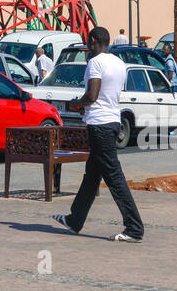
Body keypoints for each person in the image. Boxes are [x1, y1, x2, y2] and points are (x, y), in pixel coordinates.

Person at [52, 26, 145, 242]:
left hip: (99, 125)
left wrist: (77, 103)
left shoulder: (95, 62)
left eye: (87, 42)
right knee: (92, 176)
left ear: (93, 41)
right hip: (112, 121)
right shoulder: (119, 63)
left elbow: (92, 95)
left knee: (114, 177)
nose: (86, 46)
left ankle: (134, 228)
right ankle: (75, 220)